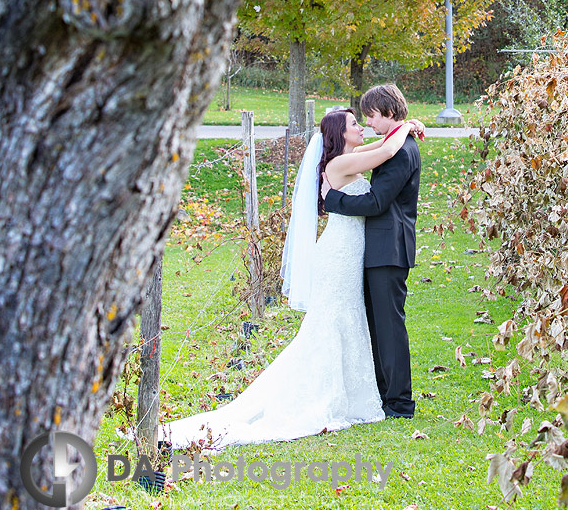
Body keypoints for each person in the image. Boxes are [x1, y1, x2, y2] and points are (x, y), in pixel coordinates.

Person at [161, 107, 418, 449]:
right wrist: (407, 126)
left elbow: (383, 148)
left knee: (350, 320)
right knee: (333, 322)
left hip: (354, 252)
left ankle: (356, 392)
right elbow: (387, 150)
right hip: (339, 254)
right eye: (355, 123)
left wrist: (405, 127)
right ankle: (328, 394)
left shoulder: (352, 157)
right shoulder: (339, 165)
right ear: (339, 134)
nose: (361, 127)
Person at [321, 83, 421, 419]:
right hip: (377, 248)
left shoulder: (402, 150)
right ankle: (383, 391)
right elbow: (381, 148)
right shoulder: (393, 144)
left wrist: (331, 200)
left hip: (389, 249)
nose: (370, 124)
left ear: (389, 112)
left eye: (373, 116)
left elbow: (377, 202)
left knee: (389, 326)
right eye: (362, 120)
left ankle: (400, 401)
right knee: (377, 325)